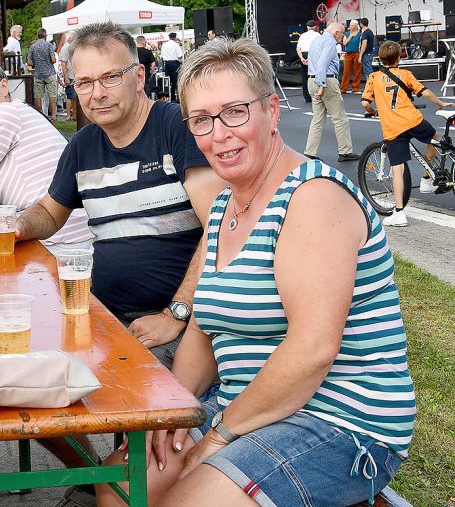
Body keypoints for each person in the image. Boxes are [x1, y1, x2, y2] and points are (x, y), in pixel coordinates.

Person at [96, 37, 416, 507]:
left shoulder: (313, 197)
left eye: (235, 112)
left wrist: (218, 436)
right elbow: (204, 326)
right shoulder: (227, 203)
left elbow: (312, 350)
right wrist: (177, 412)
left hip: (340, 421)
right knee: (123, 482)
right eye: (201, 120)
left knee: (189, 500)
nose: (218, 133)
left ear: (271, 109)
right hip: (246, 406)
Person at [12, 22, 224, 369]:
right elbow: (50, 215)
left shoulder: (175, 127)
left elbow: (222, 227)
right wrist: (19, 226)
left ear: (139, 77)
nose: (97, 93)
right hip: (103, 314)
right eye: (84, 82)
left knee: (106, 394)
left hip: (177, 324)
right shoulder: (83, 145)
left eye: (110, 77)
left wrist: (176, 314)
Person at [0, 57, 94, 251]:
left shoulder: (6, 114)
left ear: (3, 87)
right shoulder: (17, 111)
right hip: (56, 230)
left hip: (53, 237)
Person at [361, 40, 455, 227]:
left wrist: (373, 111)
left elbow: (365, 103)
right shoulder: (405, 74)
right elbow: (426, 92)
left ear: (380, 58)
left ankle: (399, 213)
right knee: (434, 137)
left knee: (398, 169)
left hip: (393, 128)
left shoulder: (374, 77)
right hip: (413, 120)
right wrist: (441, 104)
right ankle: (428, 178)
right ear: (399, 58)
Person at [305, 22, 358, 162]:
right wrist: (322, 84)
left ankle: (310, 152)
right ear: (336, 33)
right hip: (326, 81)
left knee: (317, 119)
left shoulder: (316, 40)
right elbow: (323, 63)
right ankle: (345, 152)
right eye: (342, 34)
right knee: (339, 118)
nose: (342, 37)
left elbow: (313, 62)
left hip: (311, 80)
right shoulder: (330, 42)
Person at [27, 27, 59, 121]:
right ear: (45, 35)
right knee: (52, 95)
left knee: (38, 95)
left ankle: (40, 116)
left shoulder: (33, 46)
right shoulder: (48, 45)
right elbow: (53, 60)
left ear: (38, 35)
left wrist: (37, 62)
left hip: (38, 74)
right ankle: (53, 116)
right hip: (50, 73)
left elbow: (29, 62)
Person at [296, 20, 319, 104]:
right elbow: (317, 48)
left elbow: (298, 48)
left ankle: (306, 97)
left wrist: (301, 58)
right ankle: (315, 95)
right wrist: (311, 58)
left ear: (307, 27)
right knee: (314, 76)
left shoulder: (302, 35)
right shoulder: (317, 35)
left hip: (304, 54)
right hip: (313, 55)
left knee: (304, 77)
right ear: (315, 27)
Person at [58, 32, 77, 121]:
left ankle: (74, 115)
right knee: (70, 97)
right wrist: (66, 78)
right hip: (70, 76)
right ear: (70, 38)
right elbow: (63, 64)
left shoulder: (69, 47)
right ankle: (68, 115)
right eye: (74, 37)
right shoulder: (65, 48)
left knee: (74, 97)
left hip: (73, 75)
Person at [161, 32, 185, 102]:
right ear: (175, 37)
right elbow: (180, 56)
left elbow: (162, 57)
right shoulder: (176, 45)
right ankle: (177, 98)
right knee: (176, 81)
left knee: (167, 81)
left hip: (167, 64)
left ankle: (169, 97)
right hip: (175, 64)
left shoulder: (164, 45)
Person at [341, 20, 362, 93]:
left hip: (357, 53)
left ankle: (355, 88)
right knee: (346, 71)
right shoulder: (346, 34)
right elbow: (344, 43)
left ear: (356, 26)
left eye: (352, 25)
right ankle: (343, 89)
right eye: (350, 25)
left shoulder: (360, 34)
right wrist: (350, 36)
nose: (351, 27)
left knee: (357, 71)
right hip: (348, 54)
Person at [360, 17, 377, 81]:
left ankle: (372, 86)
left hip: (366, 54)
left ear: (361, 24)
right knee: (370, 71)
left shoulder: (365, 33)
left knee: (368, 72)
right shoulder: (370, 32)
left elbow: (364, 44)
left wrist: (360, 56)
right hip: (370, 53)